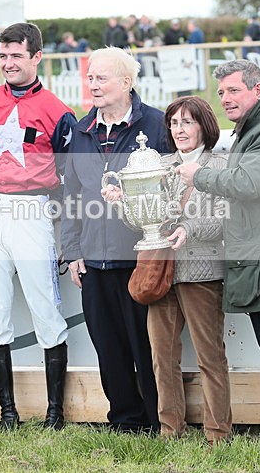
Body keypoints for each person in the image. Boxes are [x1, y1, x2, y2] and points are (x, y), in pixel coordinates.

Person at [176, 59, 260, 440]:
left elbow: (252, 182)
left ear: (258, 89)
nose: (225, 98)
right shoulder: (255, 128)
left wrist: (199, 175)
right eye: (221, 92)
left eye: (234, 90)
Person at [104, 96, 232, 443]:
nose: (179, 130)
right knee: (161, 357)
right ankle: (170, 430)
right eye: (174, 123)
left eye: (187, 122)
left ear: (204, 125)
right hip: (160, 271)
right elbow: (144, 223)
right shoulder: (159, 164)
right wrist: (122, 204)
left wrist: (190, 229)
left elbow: (225, 218)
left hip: (202, 273)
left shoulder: (220, 165)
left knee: (210, 358)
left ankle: (218, 433)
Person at [0, 22, 76, 430]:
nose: (9, 63)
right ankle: (7, 413)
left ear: (36, 57)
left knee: (45, 308)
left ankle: (55, 413)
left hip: (32, 210)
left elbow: (70, 178)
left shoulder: (58, 111)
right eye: (3, 56)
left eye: (17, 55)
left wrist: (67, 234)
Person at [61, 46, 168, 433]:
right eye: (90, 78)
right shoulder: (81, 129)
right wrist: (72, 251)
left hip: (141, 258)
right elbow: (70, 194)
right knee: (108, 349)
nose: (93, 85)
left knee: (147, 346)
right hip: (93, 260)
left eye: (101, 78)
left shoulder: (156, 125)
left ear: (126, 82)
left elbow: (172, 187)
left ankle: (159, 420)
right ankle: (125, 420)